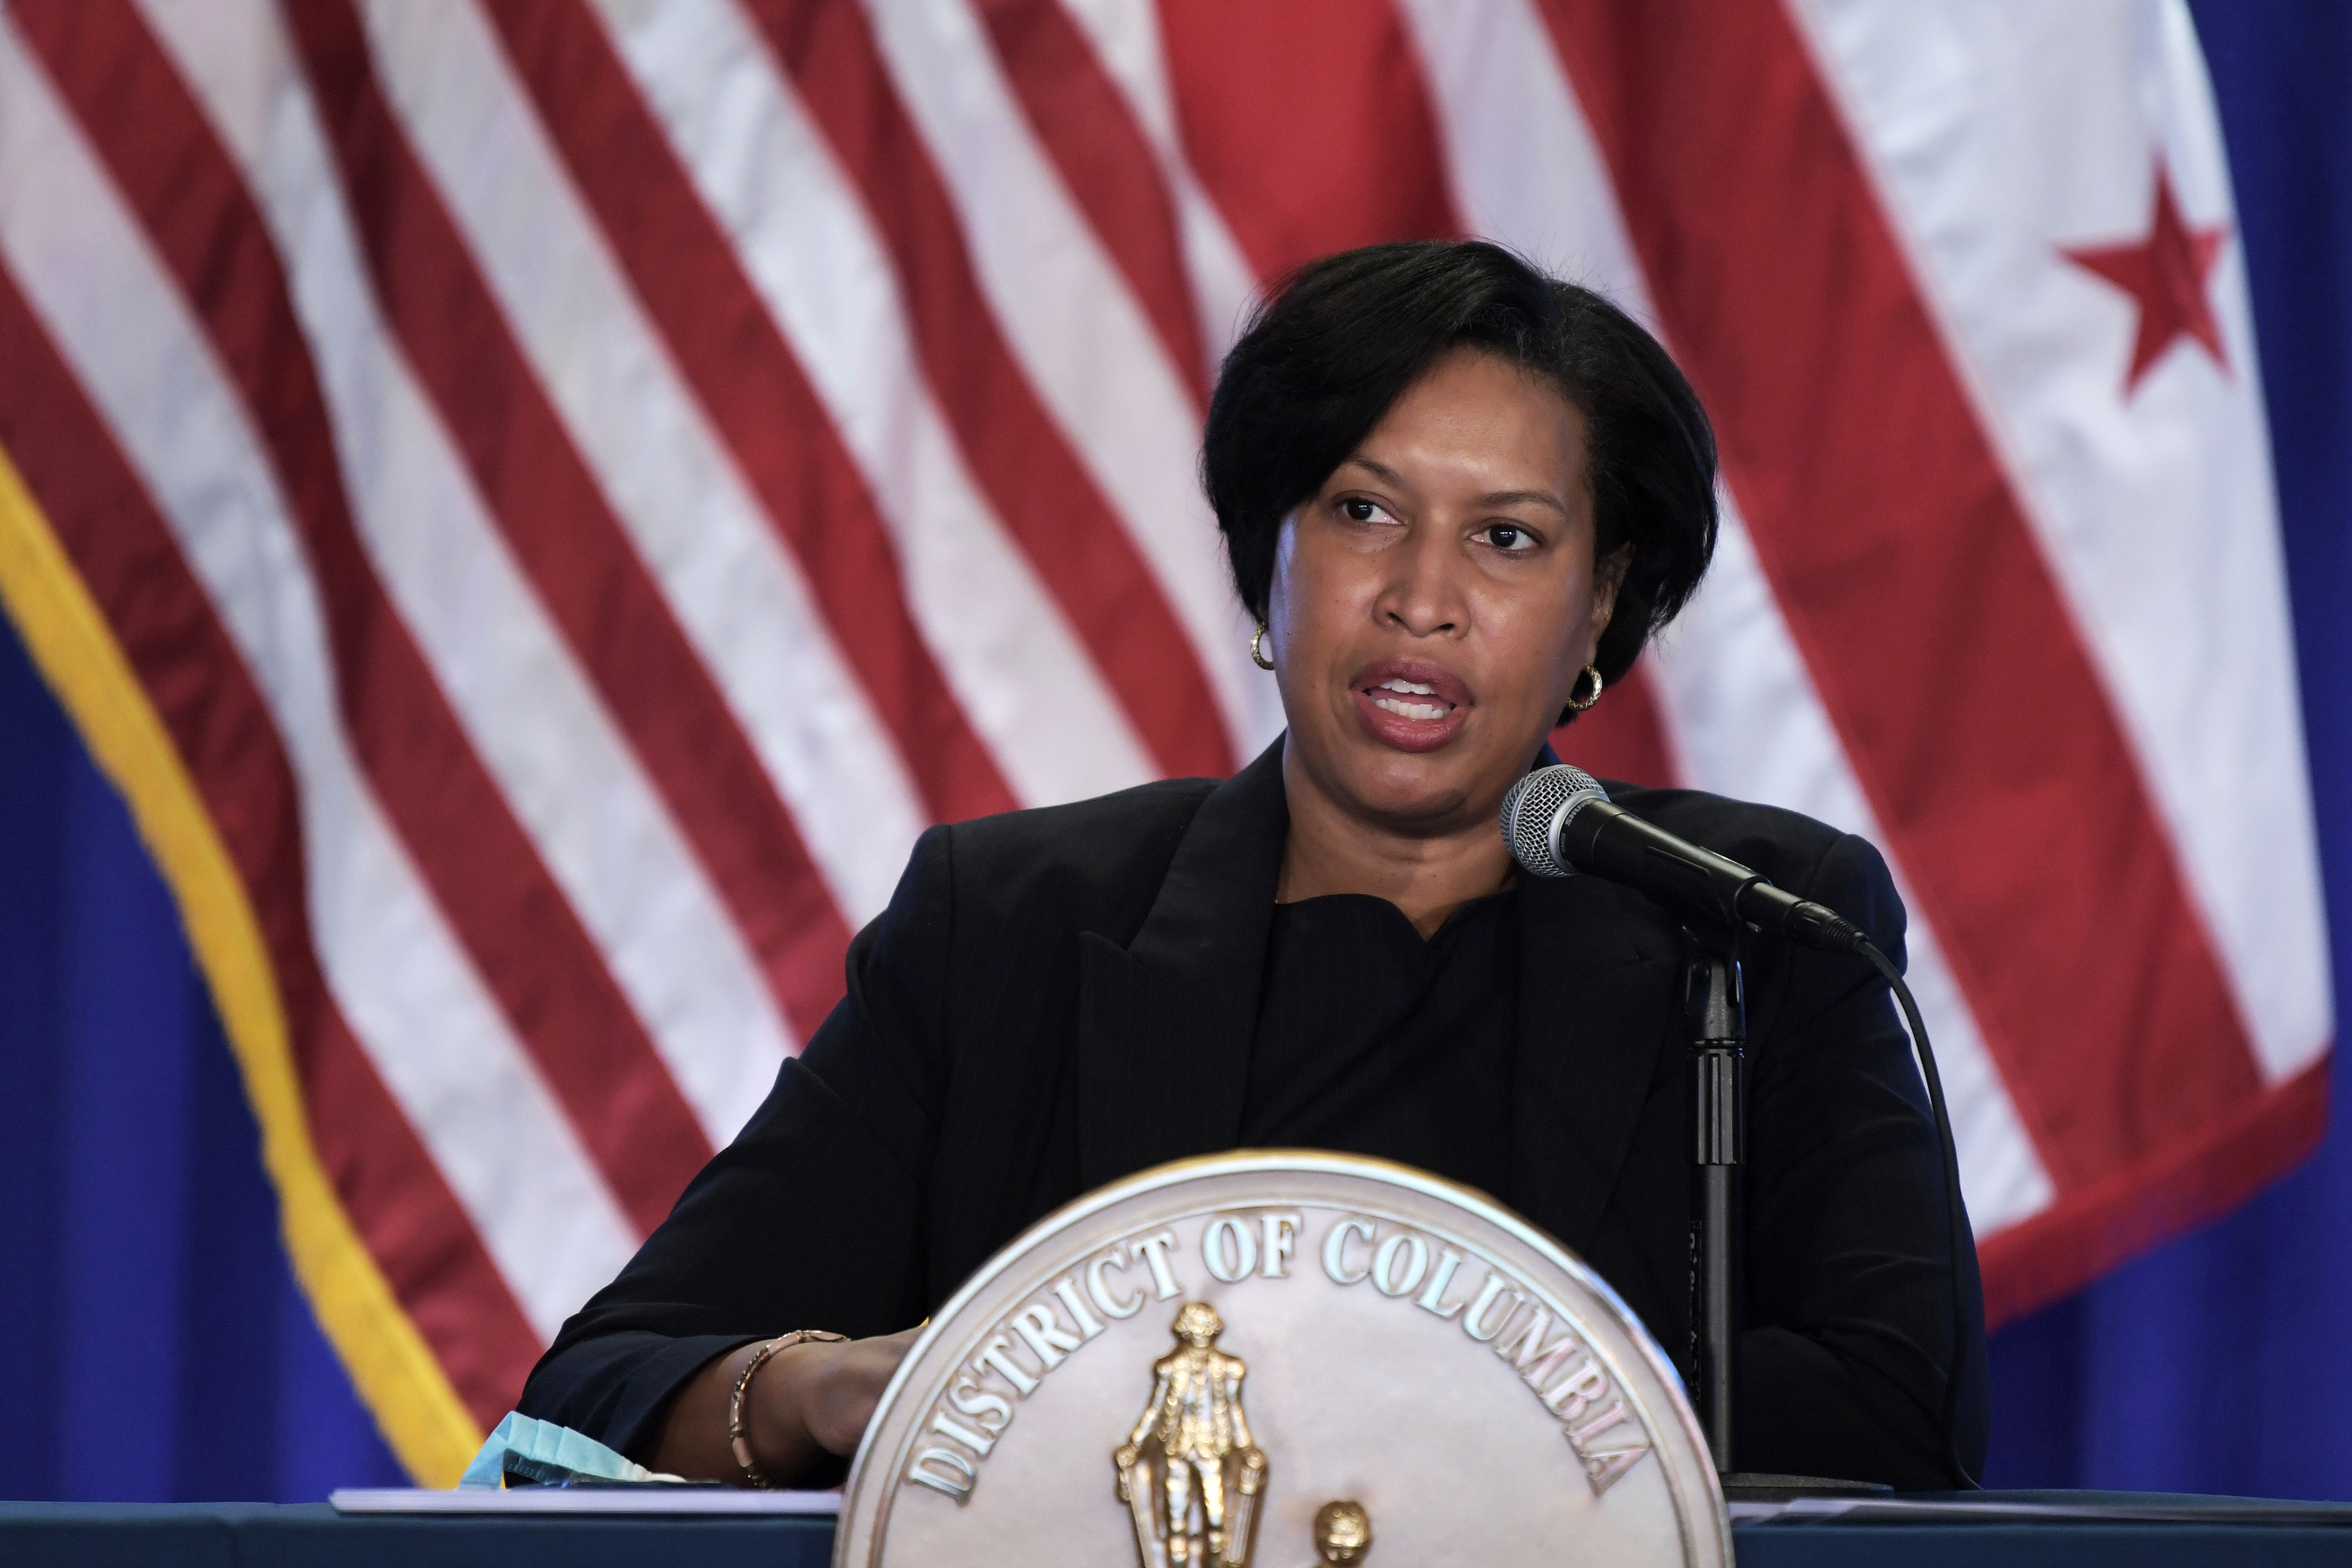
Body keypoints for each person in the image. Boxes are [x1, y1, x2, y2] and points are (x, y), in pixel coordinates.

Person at [517, 239, 1989, 1490]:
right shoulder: (1012, 928)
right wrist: (836, 1390)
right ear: (1266, 553)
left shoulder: (1751, 926)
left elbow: (1902, 1414)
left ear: (1601, 602)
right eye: (1362, 511)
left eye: (1508, 538)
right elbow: (594, 1393)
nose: (1422, 597)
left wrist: (1373, 1390)